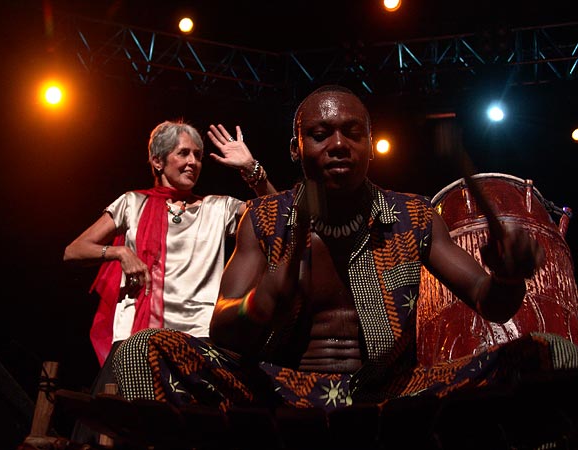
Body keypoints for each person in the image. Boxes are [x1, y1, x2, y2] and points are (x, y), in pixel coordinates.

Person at [112, 85, 578, 414]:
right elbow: (222, 329)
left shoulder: (414, 216)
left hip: (394, 395)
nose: (338, 145)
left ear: (371, 145)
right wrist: (261, 301)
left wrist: (509, 277)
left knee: (553, 354)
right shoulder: (264, 219)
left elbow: (491, 303)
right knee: (140, 353)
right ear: (296, 148)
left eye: (352, 133)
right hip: (280, 391)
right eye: (320, 134)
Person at [63, 119, 276, 442]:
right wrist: (120, 254)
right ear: (158, 160)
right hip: (136, 340)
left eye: (198, 155)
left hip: (198, 341)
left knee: (187, 437)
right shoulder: (132, 203)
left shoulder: (219, 208)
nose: (193, 162)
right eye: (183, 153)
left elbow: (278, 220)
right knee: (113, 435)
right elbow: (74, 250)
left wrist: (252, 169)